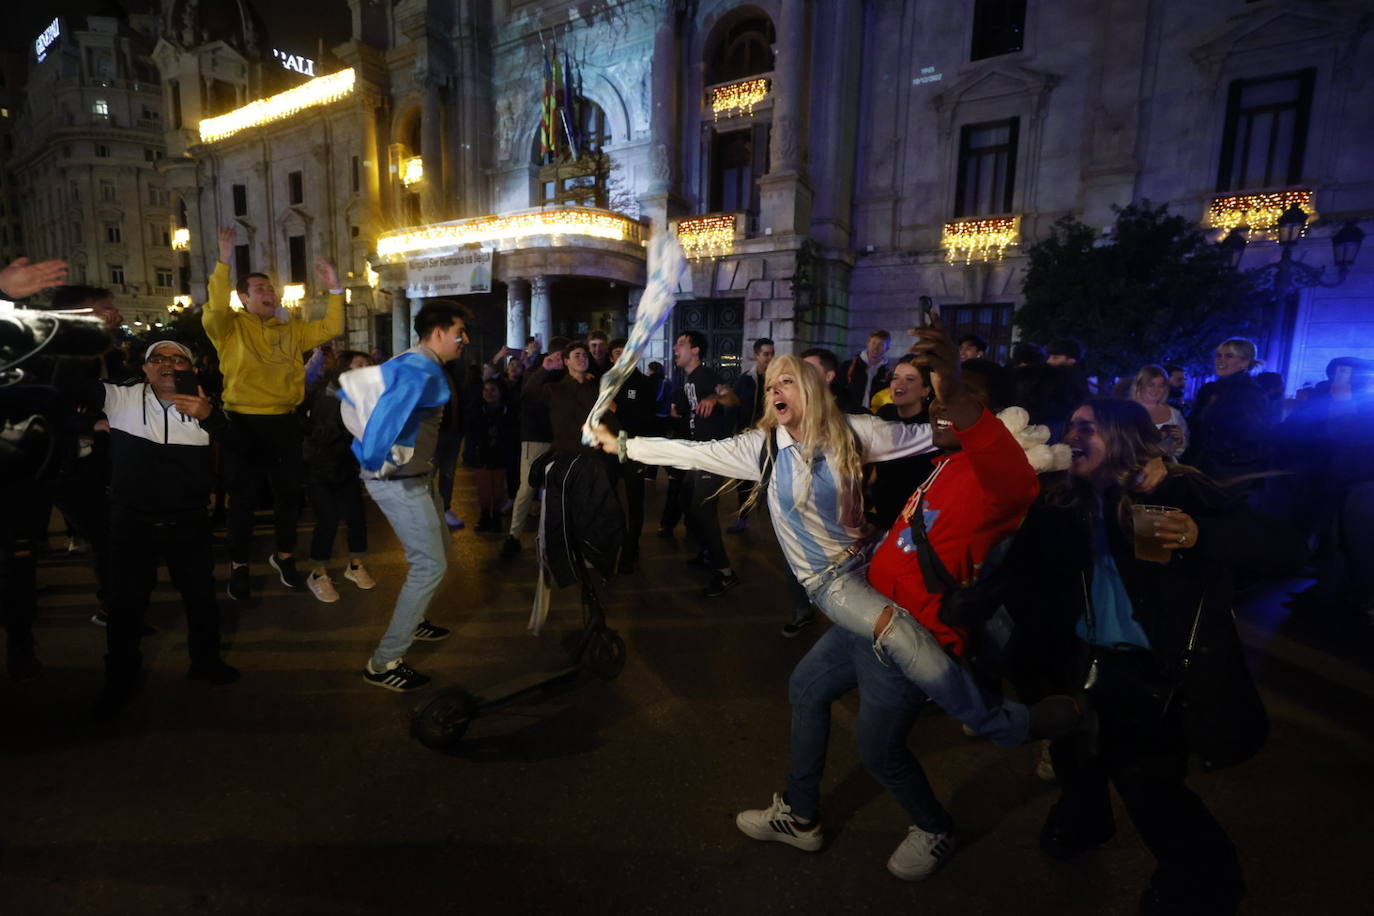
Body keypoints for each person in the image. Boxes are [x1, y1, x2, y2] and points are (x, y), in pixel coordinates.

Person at [590, 345, 1083, 739]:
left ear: (807, 389)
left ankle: (1030, 677)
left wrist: (1011, 443)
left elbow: (925, 437)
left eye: (785, 381)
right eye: (769, 385)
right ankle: (998, 722)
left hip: (868, 556)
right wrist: (624, 443)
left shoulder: (855, 432)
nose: (775, 390)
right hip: (829, 582)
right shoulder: (758, 448)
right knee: (900, 633)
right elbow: (691, 453)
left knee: (972, 609)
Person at [739, 337, 1051, 881]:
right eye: (936, 393)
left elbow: (1014, 482)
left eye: (953, 395)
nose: (938, 402)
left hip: (909, 631)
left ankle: (935, 826)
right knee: (805, 689)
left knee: (878, 750)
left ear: (991, 414)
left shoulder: (999, 478)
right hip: (867, 609)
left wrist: (956, 393)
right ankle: (800, 814)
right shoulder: (946, 461)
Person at [1002, 398, 1305, 915]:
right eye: (1070, 425)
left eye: (1087, 427)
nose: (1072, 434)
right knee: (1075, 756)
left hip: (1151, 668)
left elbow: (1283, 547)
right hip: (1076, 658)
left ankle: (1206, 882)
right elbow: (1022, 571)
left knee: (1147, 785)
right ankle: (1085, 821)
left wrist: (1200, 533)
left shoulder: (1172, 488)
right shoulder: (1064, 500)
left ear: (1122, 437)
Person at [90, 339, 240, 718]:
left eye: (178, 359)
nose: (168, 364)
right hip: (131, 521)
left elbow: (248, 451)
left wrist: (211, 417)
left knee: (200, 597)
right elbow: (61, 392)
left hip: (188, 520)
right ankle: (120, 677)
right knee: (126, 605)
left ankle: (204, 662)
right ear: (144, 368)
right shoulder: (119, 397)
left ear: (191, 368)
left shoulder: (207, 403)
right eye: (158, 358)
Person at [206, 227, 344, 601]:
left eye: (271, 289)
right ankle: (239, 565)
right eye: (261, 290)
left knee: (288, 497)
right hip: (243, 424)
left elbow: (333, 326)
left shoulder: (292, 329)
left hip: (284, 421)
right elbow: (216, 306)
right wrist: (224, 260)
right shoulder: (228, 328)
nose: (270, 294)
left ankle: (283, 556)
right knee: (244, 501)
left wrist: (334, 288)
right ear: (244, 297)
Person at [339, 301, 469, 691]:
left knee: (439, 551)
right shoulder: (420, 367)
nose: (464, 340)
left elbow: (352, 396)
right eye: (460, 332)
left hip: (415, 476)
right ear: (439, 332)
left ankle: (416, 619)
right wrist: (378, 459)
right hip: (400, 481)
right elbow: (381, 417)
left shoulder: (411, 361)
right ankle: (383, 663)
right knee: (429, 566)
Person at [670, 330, 741, 596]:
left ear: (696, 350)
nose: (675, 347)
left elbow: (733, 398)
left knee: (703, 509)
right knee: (688, 502)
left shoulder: (707, 375)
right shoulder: (688, 379)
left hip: (712, 454)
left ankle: (725, 572)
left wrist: (714, 398)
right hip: (697, 452)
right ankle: (706, 552)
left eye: (681, 343)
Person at [302, 350, 376, 603]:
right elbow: (323, 430)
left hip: (346, 466)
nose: (364, 368)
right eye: (359, 364)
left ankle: (355, 566)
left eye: (367, 364)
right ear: (344, 368)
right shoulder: (329, 392)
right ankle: (318, 573)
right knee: (328, 519)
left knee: (356, 516)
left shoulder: (361, 394)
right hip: (320, 466)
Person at [1184, 338, 1270, 484]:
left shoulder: (1248, 392)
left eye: (1229, 356)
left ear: (1244, 362)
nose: (1220, 360)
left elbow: (1251, 431)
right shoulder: (1212, 389)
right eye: (1219, 355)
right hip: (1205, 463)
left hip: (1227, 468)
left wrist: (1218, 450)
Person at [609, 337, 658, 573]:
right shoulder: (607, 381)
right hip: (609, 447)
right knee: (608, 493)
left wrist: (618, 409)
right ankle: (617, 536)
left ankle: (632, 545)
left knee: (634, 497)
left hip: (634, 446)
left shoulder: (643, 383)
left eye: (625, 352)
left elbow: (646, 416)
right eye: (617, 353)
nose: (621, 357)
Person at [729, 337, 775, 533]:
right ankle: (743, 518)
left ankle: (776, 521)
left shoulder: (777, 380)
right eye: (766, 354)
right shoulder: (745, 380)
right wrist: (735, 435)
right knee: (744, 479)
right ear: (757, 355)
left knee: (772, 479)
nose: (770, 357)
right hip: (748, 436)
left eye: (772, 353)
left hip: (771, 437)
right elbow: (734, 408)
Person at [467, 377, 518, 531]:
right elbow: (471, 432)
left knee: (497, 488)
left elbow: (513, 432)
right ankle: (484, 516)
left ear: (501, 393)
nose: (489, 393)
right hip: (482, 453)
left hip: (500, 453)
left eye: (493, 390)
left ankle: (495, 517)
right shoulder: (477, 410)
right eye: (486, 390)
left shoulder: (507, 410)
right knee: (484, 488)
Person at [1131, 365, 1189, 459]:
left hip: (1165, 469)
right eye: (1151, 385)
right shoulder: (1125, 411)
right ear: (1140, 386)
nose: (1156, 390)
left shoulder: (1174, 414)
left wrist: (1180, 441)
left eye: (1161, 386)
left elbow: (1179, 450)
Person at [801, 347, 864, 414]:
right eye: (801, 369)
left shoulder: (847, 413)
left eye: (810, 368)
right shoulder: (793, 405)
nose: (803, 374)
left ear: (829, 376)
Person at [842, 329, 893, 410]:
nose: (876, 347)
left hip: (874, 417)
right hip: (850, 413)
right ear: (868, 344)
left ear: (887, 349)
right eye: (873, 343)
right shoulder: (849, 366)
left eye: (881, 345)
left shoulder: (887, 373)